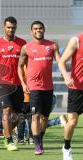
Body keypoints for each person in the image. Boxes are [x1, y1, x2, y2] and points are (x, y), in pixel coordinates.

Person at [18, 21, 60, 155]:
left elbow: (60, 61)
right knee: (35, 116)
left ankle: (39, 140)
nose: (38, 30)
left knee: (45, 118)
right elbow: (20, 66)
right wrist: (24, 84)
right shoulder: (26, 47)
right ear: (31, 31)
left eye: (40, 28)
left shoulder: (52, 46)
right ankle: (37, 145)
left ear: (44, 29)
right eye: (35, 29)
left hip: (48, 87)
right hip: (33, 87)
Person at [0, 16, 26, 151]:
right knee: (7, 110)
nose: (11, 29)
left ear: (16, 28)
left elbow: (26, 63)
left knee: (18, 116)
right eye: (8, 27)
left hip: (18, 83)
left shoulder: (22, 43)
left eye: (13, 27)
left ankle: (6, 133)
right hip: (2, 82)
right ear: (4, 28)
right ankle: (10, 140)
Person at [58, 32, 83, 160]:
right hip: (77, 88)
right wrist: (67, 77)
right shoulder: (76, 40)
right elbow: (61, 62)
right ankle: (66, 148)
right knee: (72, 121)